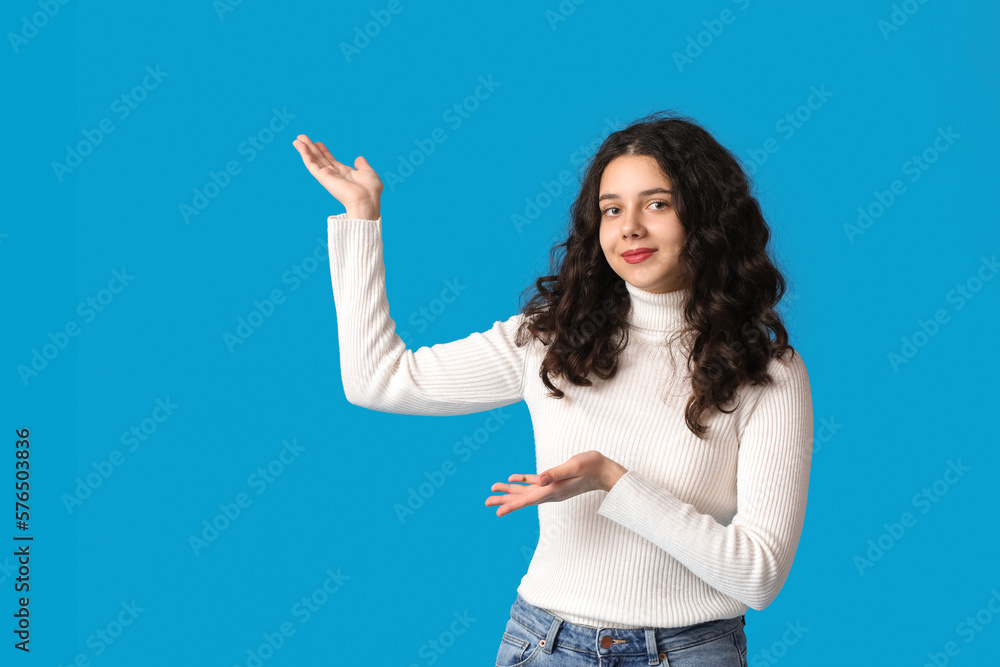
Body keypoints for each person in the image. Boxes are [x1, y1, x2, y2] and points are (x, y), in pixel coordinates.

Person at [291, 109, 813, 667]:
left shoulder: (768, 371)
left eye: (656, 204)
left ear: (708, 217)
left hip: (689, 651)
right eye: (612, 209)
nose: (629, 227)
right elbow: (379, 380)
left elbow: (758, 576)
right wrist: (360, 218)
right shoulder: (552, 338)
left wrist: (612, 481)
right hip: (545, 646)